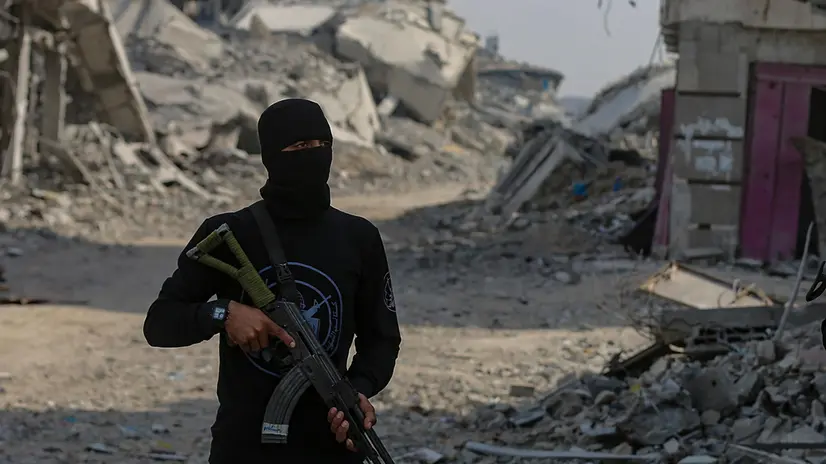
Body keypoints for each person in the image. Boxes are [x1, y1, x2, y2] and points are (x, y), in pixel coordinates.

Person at [142, 98, 402, 463]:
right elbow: (159, 324)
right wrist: (224, 314)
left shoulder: (359, 238)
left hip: (330, 447)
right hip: (244, 448)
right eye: (300, 145)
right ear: (272, 156)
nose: (314, 154)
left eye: (322, 144)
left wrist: (357, 392)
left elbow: (382, 340)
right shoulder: (232, 233)